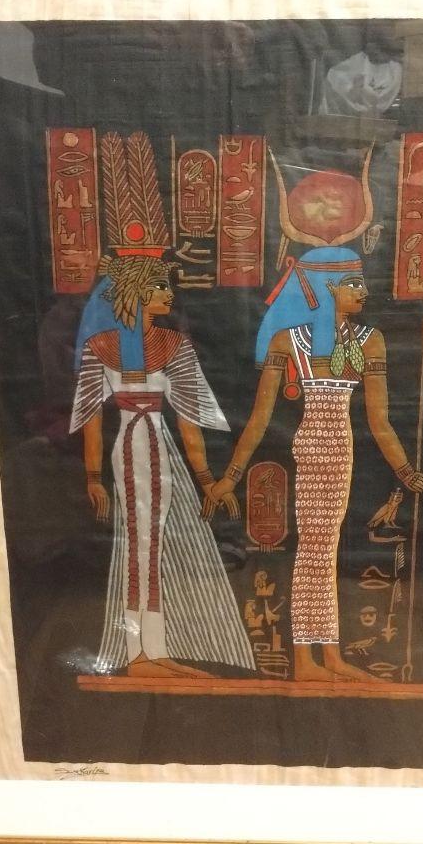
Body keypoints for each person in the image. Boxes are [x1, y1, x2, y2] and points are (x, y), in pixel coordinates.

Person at [210, 246, 423, 682]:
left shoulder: (370, 340)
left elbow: (379, 420)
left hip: (340, 449)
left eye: (362, 283)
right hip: (313, 447)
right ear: (326, 288)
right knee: (315, 551)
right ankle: (308, 661)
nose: (363, 292)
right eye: (353, 284)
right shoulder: (288, 341)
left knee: (322, 553)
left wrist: (405, 470)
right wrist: (232, 476)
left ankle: (326, 657)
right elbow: (259, 418)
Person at [70, 252, 255, 679]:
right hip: (131, 447)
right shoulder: (101, 346)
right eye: (159, 286)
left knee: (151, 547)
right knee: (139, 547)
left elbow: (189, 424)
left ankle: (152, 650)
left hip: (157, 445)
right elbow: (91, 422)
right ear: (135, 293)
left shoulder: (173, 344)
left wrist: (206, 479)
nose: (169, 294)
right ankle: (140, 654)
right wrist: (93, 478)